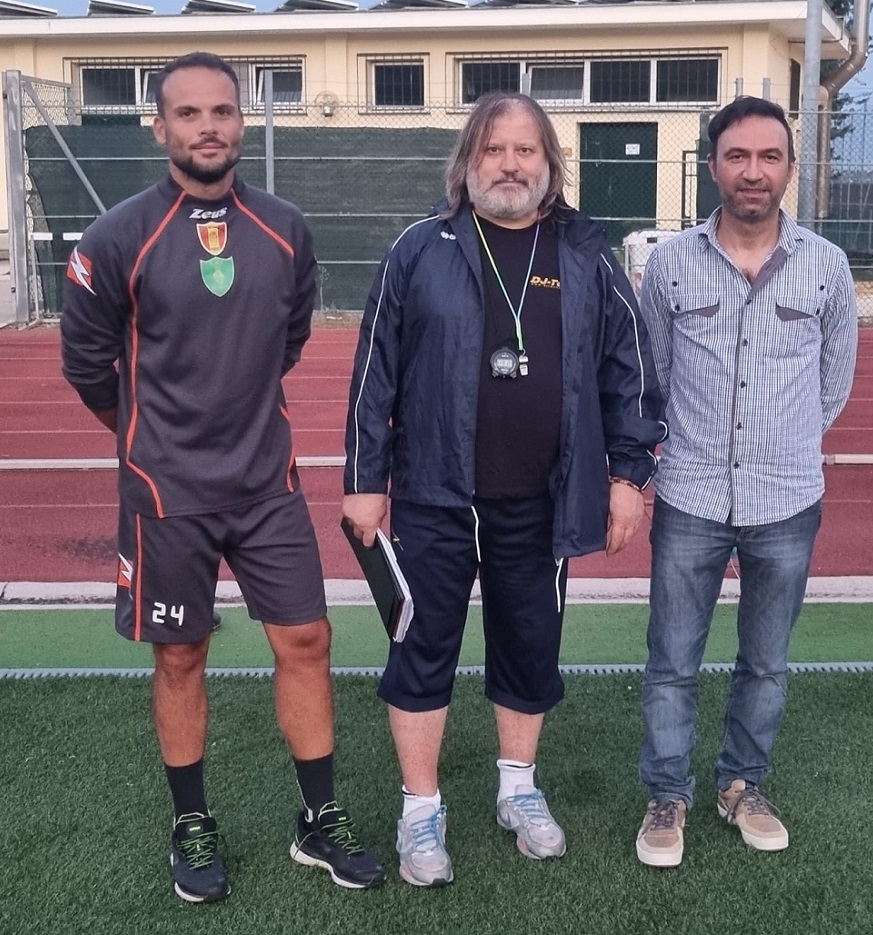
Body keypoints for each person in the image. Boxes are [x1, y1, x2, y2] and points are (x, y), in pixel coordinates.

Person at [60, 51, 384, 903]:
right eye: (189, 113)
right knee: (181, 654)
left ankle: (318, 818)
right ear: (158, 127)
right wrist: (149, 438)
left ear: (242, 122)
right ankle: (191, 821)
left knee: (306, 640)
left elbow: (290, 337)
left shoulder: (284, 227)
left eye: (223, 111)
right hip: (166, 492)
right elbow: (87, 365)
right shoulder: (116, 236)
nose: (208, 127)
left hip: (266, 484)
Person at [343, 91, 667, 887]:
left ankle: (517, 788)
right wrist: (363, 481)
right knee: (419, 648)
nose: (510, 165)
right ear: (468, 162)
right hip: (435, 495)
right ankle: (420, 807)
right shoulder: (419, 248)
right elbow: (373, 371)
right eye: (494, 149)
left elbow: (629, 369)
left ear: (550, 164)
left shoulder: (585, 252)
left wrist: (628, 474)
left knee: (529, 644)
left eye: (526, 150)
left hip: (543, 500)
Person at [635, 96, 858, 867]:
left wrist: (782, 443)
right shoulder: (670, 264)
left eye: (768, 156)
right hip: (690, 493)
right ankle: (666, 793)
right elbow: (653, 375)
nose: (752, 171)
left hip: (787, 498)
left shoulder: (826, 267)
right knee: (671, 660)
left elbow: (832, 382)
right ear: (712, 167)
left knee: (765, 660)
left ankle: (740, 784)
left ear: (789, 168)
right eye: (736, 156)